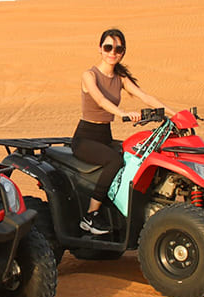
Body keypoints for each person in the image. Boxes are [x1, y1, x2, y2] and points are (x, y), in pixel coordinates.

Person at [71, 28, 174, 235]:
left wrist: (175, 114)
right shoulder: (89, 75)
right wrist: (123, 113)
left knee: (135, 156)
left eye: (118, 49)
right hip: (85, 138)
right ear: (100, 49)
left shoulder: (121, 77)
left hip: (105, 136)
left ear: (123, 52)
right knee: (115, 161)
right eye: (108, 47)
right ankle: (90, 216)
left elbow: (145, 97)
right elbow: (100, 100)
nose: (113, 52)